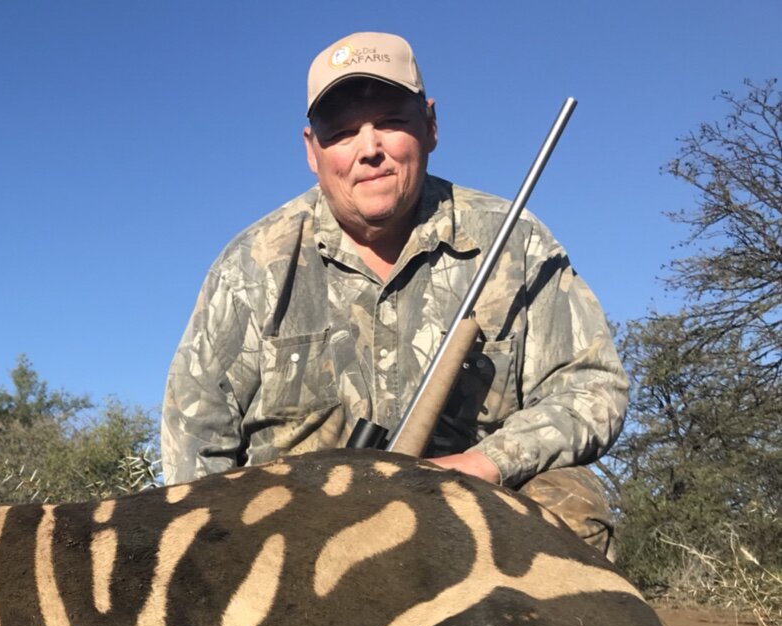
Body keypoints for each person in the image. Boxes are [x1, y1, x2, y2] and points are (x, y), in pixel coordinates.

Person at [160, 31, 625, 557]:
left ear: (430, 126)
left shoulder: (515, 241)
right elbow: (197, 439)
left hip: (468, 519)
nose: (370, 149)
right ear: (312, 151)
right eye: (342, 133)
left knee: (570, 505)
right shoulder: (249, 266)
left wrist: (486, 463)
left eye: (391, 122)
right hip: (295, 541)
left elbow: (593, 387)